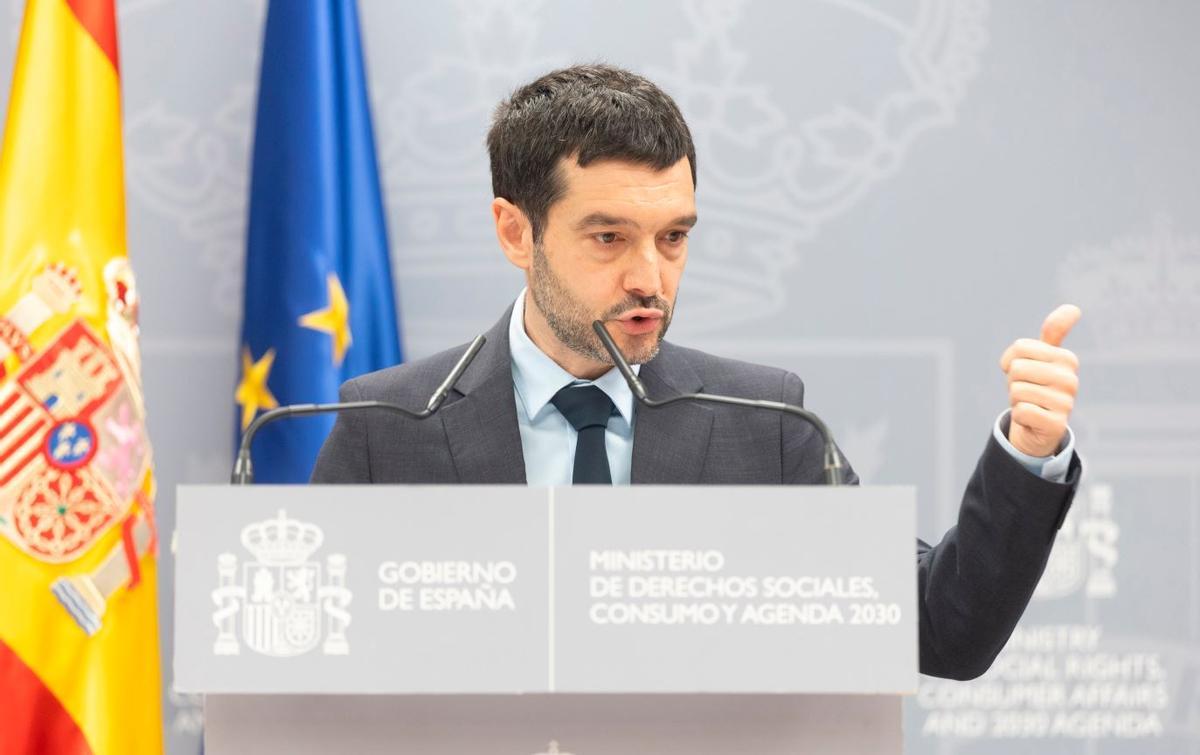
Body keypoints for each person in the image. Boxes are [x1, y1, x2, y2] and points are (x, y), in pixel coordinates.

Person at [312, 64, 1083, 680]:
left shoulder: (764, 421)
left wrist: (1028, 449)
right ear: (517, 232)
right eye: (609, 237)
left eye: (673, 236)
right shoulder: (389, 423)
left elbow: (939, 628)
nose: (650, 276)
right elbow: (305, 667)